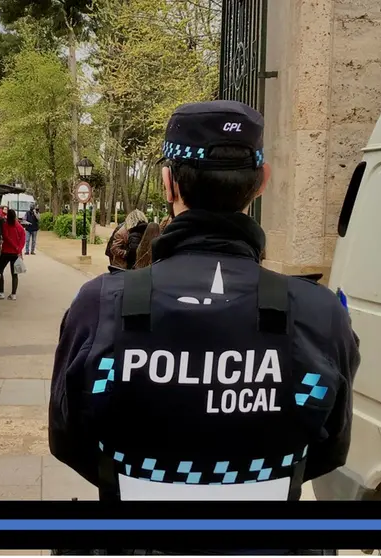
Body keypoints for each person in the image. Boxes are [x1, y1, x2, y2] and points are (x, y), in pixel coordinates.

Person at [49, 101, 360, 536]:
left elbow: (67, 438)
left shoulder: (100, 304)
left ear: (167, 183)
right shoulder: (319, 312)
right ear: (261, 183)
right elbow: (331, 446)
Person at [0, 209, 26, 301]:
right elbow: (23, 240)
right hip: (15, 253)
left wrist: (14, 246)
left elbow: (6, 237)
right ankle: (13, 294)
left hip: (6, 252)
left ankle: (1, 292)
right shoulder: (19, 227)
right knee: (14, 273)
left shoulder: (5, 225)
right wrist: (18, 249)